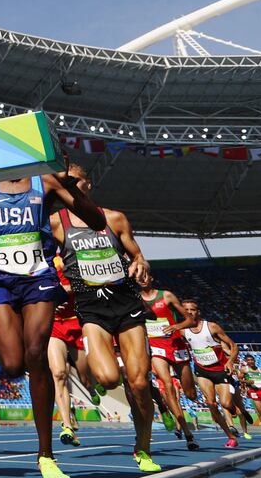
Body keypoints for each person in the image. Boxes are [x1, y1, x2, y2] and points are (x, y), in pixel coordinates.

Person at [0, 165, 107, 478]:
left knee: (35, 353)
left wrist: (74, 191)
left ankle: (45, 454)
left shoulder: (45, 182)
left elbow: (98, 222)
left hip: (38, 278)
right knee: (14, 365)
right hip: (0, 279)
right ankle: (45, 448)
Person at [47, 165, 161, 473]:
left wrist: (140, 263)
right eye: (64, 182)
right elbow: (41, 259)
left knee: (139, 383)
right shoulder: (56, 224)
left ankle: (143, 448)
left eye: (75, 180)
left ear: (88, 184)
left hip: (126, 304)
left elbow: (137, 255)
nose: (69, 185)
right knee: (110, 378)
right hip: (90, 309)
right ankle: (113, 386)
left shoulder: (114, 218)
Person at [137, 274, 200, 449]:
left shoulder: (166, 296)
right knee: (168, 386)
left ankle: (187, 407)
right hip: (156, 348)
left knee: (190, 394)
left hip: (176, 346)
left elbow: (190, 320)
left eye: (144, 276)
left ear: (151, 278)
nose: (142, 279)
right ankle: (188, 434)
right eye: (138, 277)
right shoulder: (135, 299)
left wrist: (176, 327)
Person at [181, 301, 252, 446]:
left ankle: (237, 409)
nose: (189, 312)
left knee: (226, 403)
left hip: (220, 371)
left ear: (198, 311)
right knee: (211, 403)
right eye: (186, 310)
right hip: (202, 371)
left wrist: (230, 361)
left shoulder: (211, 326)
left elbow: (233, 346)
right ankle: (231, 437)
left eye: (192, 309)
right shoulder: (182, 330)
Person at [47, 257, 97, 448]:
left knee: (85, 377)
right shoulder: (33, 263)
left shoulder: (64, 259)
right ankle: (67, 426)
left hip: (75, 321)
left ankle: (92, 388)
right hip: (54, 324)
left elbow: (83, 285)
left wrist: (60, 293)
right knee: (59, 374)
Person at [241, 355, 261, 427]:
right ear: (246, 361)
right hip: (253, 391)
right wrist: (247, 382)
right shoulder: (244, 369)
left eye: (252, 360)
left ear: (254, 360)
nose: (250, 361)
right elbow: (240, 379)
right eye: (248, 360)